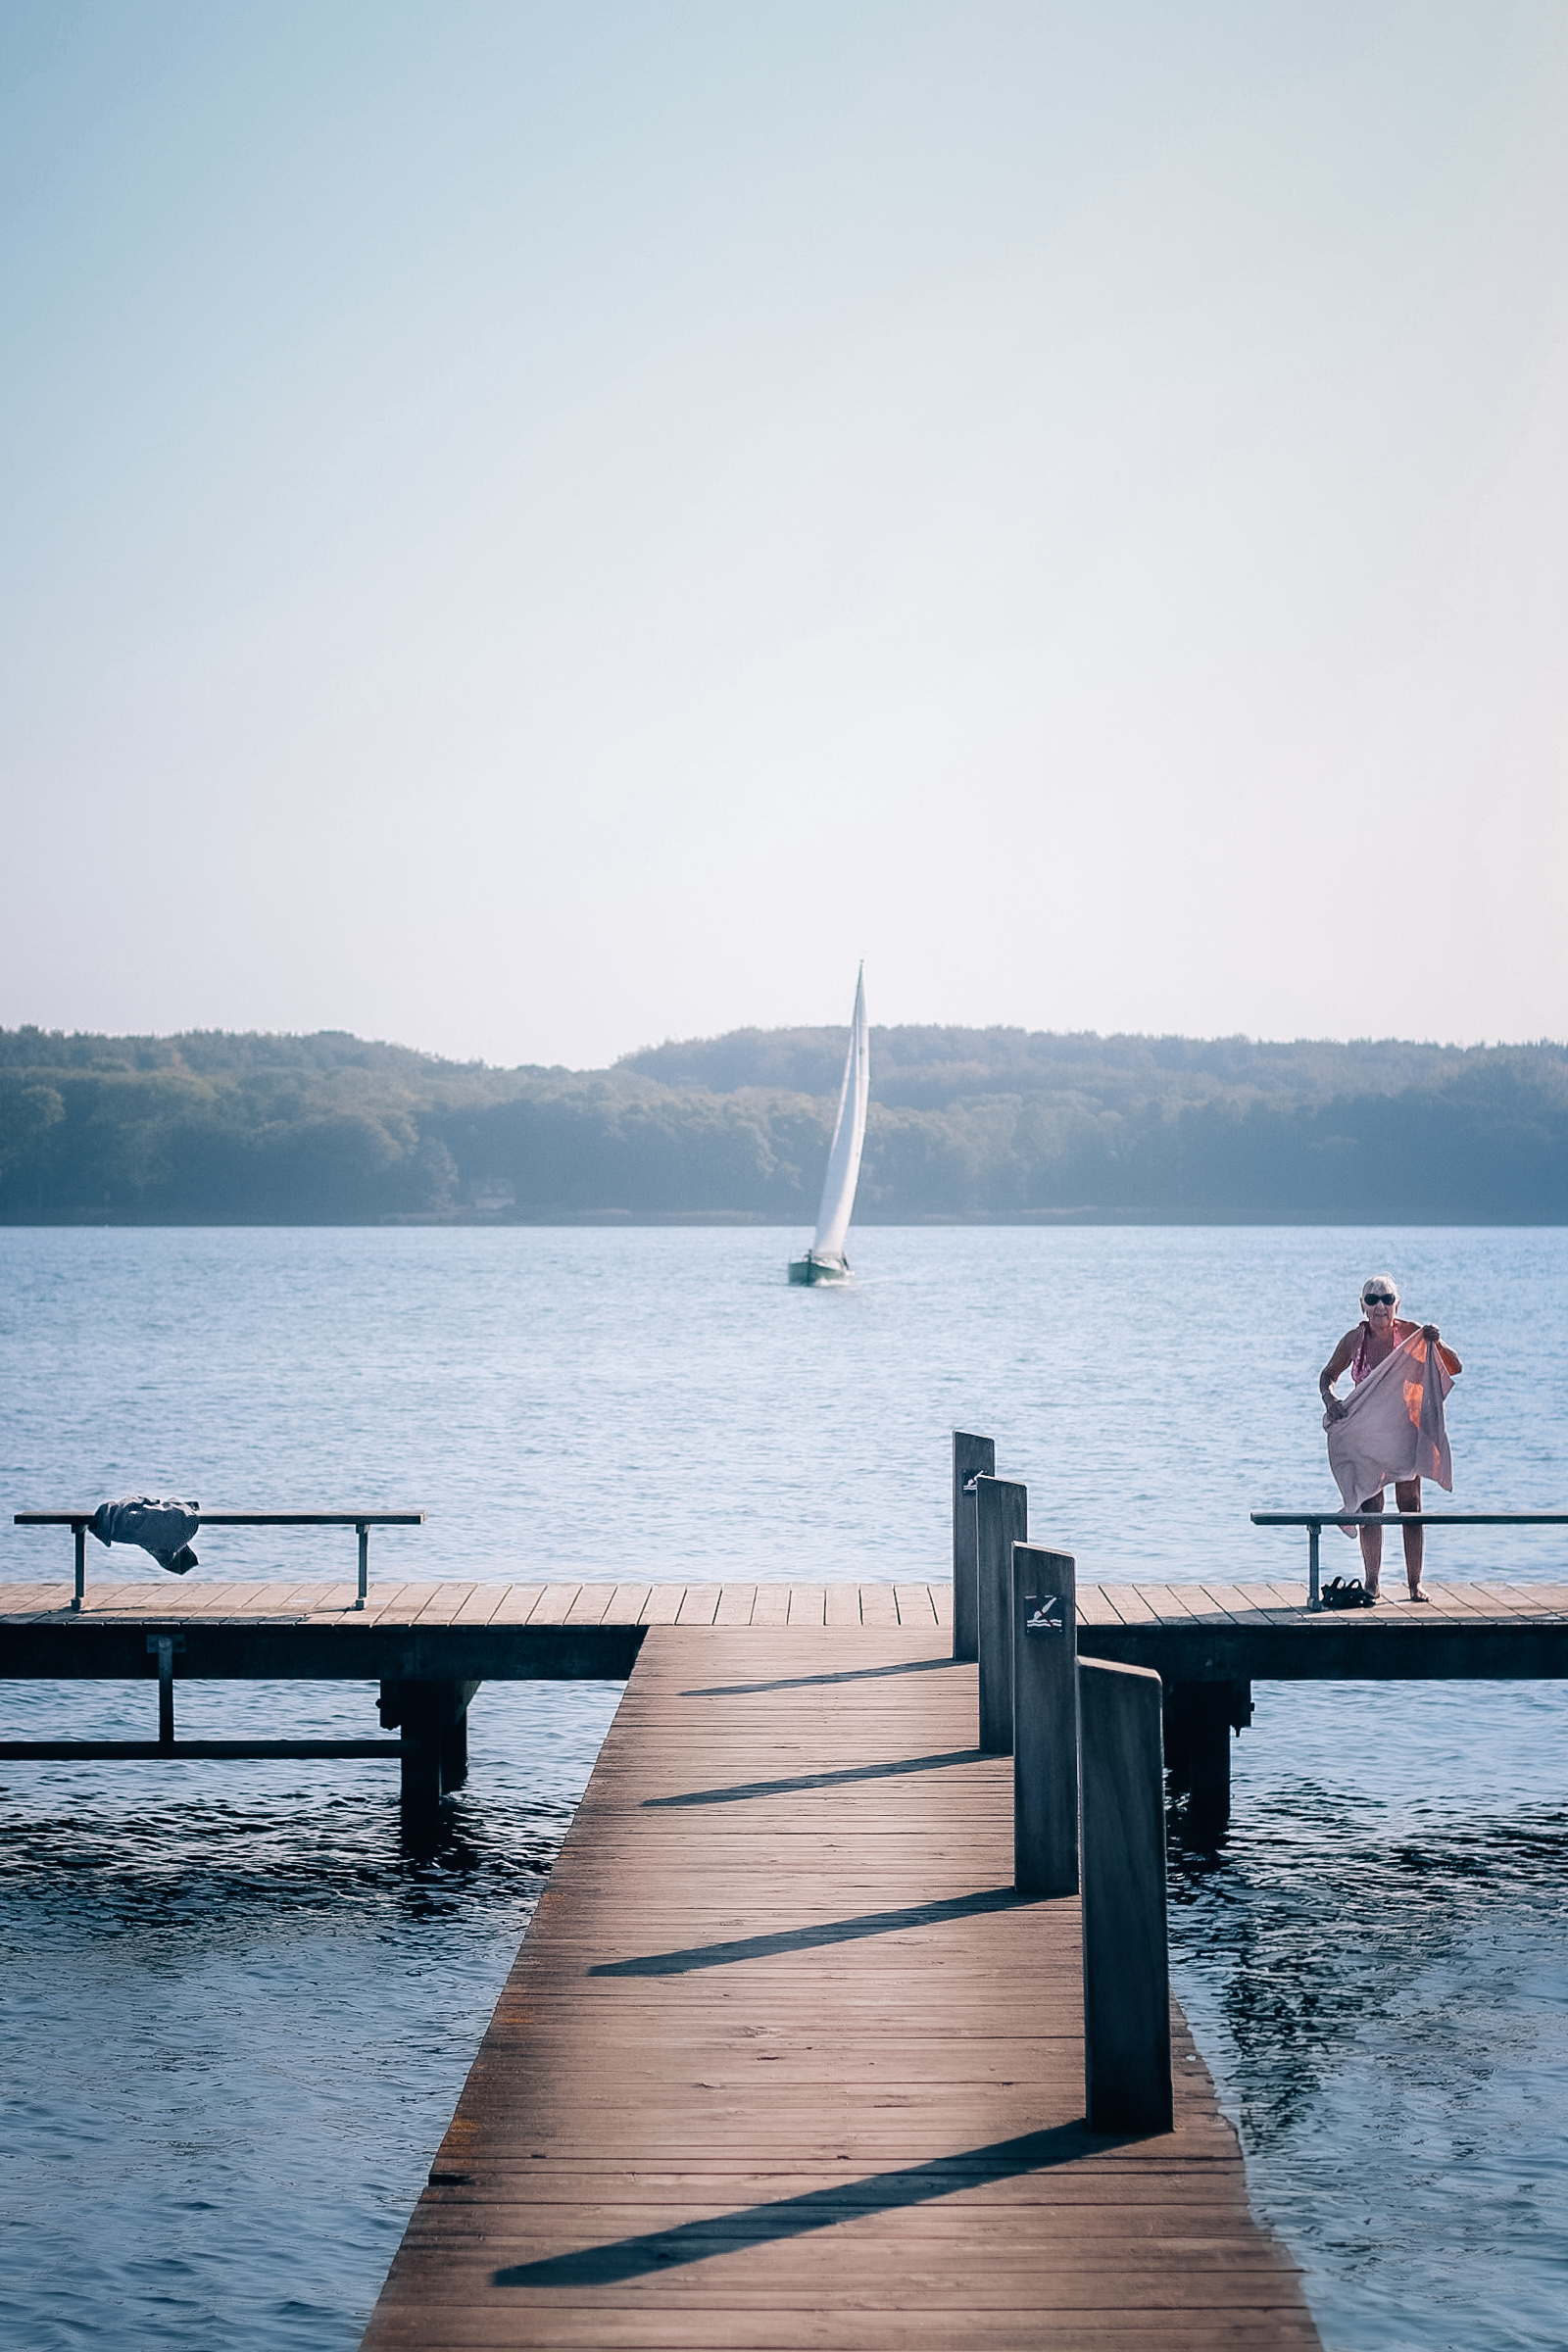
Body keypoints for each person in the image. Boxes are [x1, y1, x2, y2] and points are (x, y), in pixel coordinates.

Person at [1318, 1276, 1461, 1601]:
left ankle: (1414, 1584)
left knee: (1410, 1504)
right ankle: (1372, 1583)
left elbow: (1455, 1366)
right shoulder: (1355, 1339)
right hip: (1367, 1436)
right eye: (1372, 1300)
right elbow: (1327, 1375)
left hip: (1405, 1432)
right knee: (1371, 1504)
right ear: (1362, 1305)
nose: (1379, 1306)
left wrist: (1437, 1343)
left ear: (1397, 1303)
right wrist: (1330, 1400)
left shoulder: (1413, 1333)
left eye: (1386, 1299)